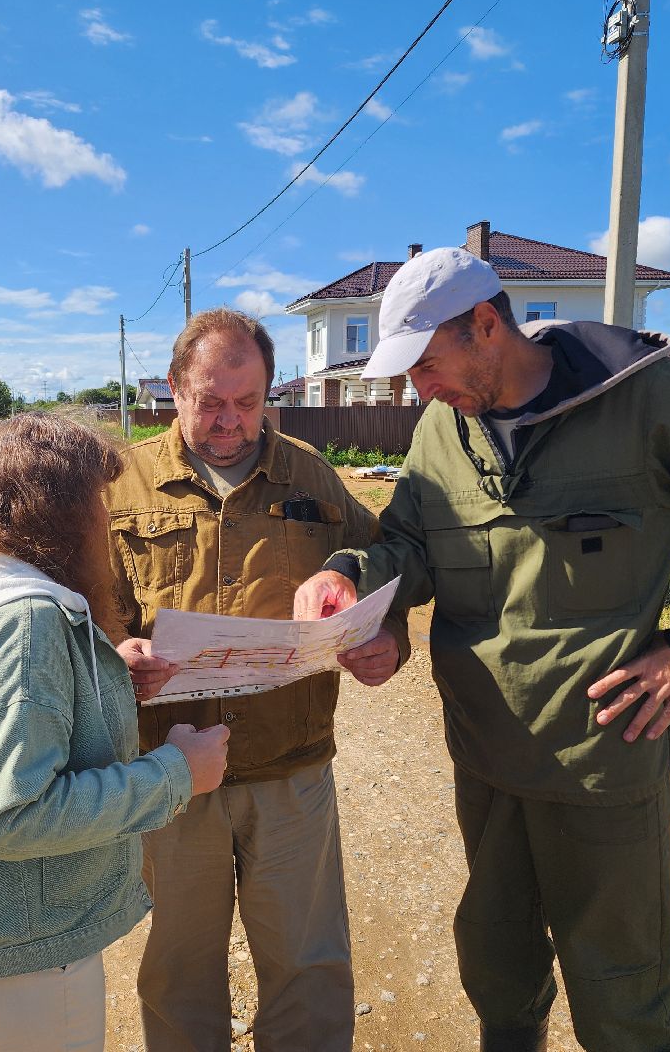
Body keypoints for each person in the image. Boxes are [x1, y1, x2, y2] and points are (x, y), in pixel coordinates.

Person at [293, 247, 670, 1052]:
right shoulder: (446, 428)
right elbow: (407, 542)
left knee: (623, 994)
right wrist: (346, 574)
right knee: (498, 971)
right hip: (485, 754)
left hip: (604, 757)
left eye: (428, 365)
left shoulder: (643, 401)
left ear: (486, 326)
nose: (420, 391)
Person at [0, 413, 230, 1052]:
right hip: (21, 960)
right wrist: (178, 772)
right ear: (58, 515)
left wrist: (105, 672)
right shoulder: (24, 622)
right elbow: (16, 813)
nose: (107, 522)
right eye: (96, 503)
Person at [106, 307, 409, 1052]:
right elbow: (89, 609)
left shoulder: (314, 476)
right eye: (211, 402)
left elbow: (383, 569)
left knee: (308, 964)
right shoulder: (121, 486)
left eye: (248, 403)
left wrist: (387, 643)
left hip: (290, 769)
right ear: (173, 389)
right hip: (169, 771)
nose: (230, 422)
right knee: (178, 968)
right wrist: (116, 652)